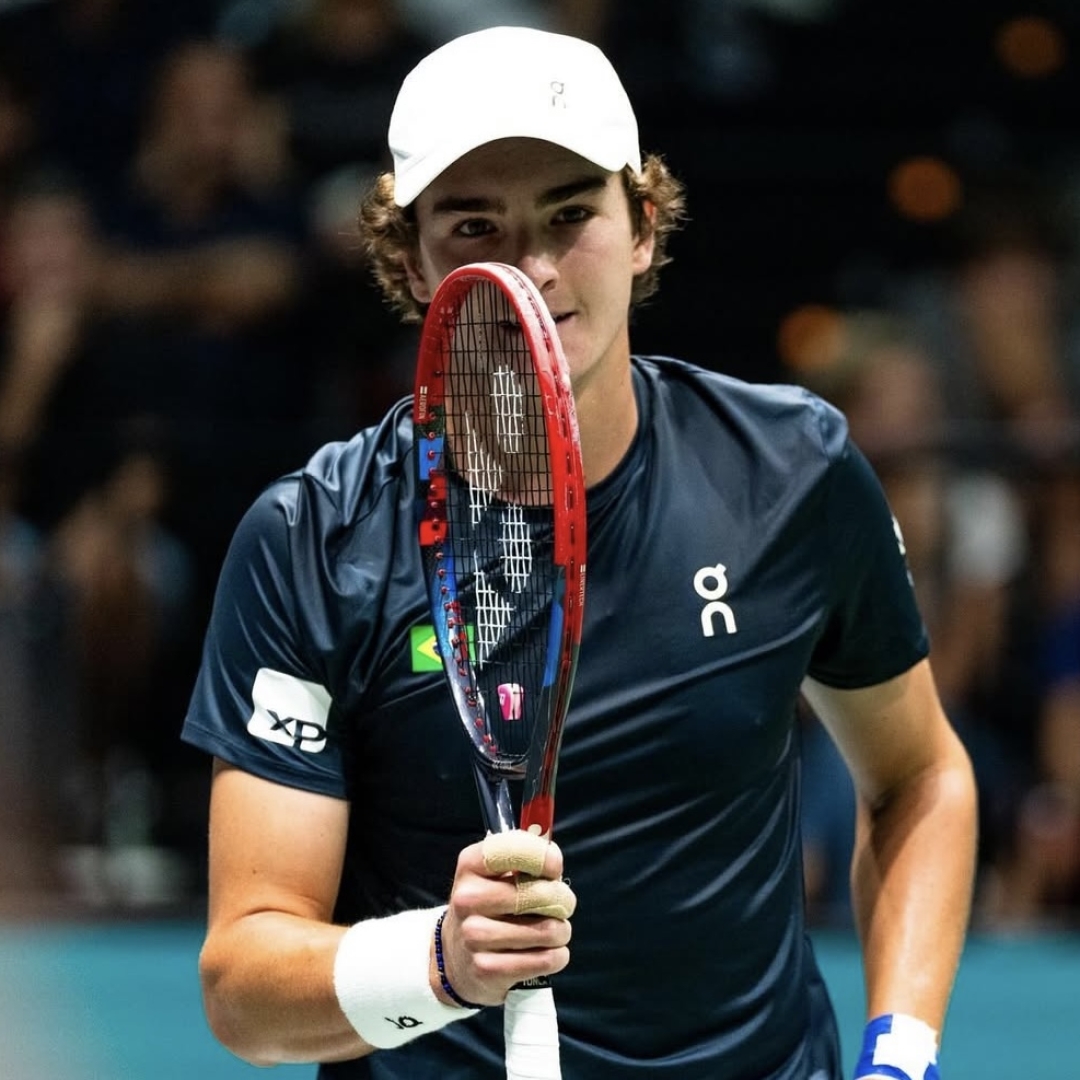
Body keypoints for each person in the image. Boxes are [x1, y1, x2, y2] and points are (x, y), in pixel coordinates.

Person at [181, 25, 978, 1080]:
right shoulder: (313, 541)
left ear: (644, 225)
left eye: (571, 216)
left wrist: (902, 1053)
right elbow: (243, 985)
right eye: (477, 226)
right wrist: (437, 964)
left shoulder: (791, 473)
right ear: (407, 258)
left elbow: (920, 775)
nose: (533, 270)